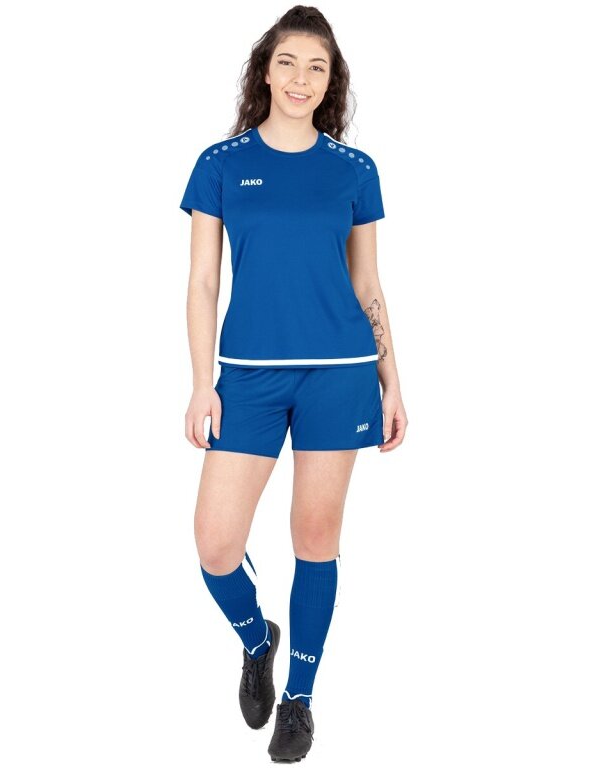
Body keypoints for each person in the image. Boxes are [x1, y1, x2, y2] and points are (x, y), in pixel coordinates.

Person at [179, 5, 407, 761]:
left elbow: (368, 286)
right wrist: (201, 382)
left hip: (338, 375)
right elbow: (203, 281)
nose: (301, 78)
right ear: (265, 72)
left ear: (331, 79)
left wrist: (393, 382)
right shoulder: (220, 163)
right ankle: (257, 637)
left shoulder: (355, 169)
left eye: (317, 66)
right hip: (246, 377)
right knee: (216, 544)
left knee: (315, 537)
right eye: (288, 63)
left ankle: (300, 698)